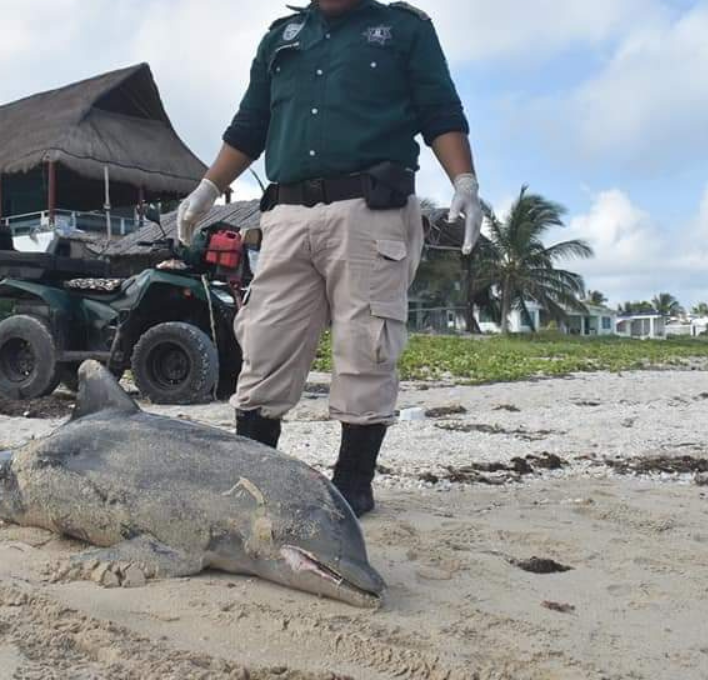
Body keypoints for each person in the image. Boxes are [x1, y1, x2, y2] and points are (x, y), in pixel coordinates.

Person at [176, 0, 482, 516]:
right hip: (286, 214)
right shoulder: (282, 36)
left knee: (367, 345)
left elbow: (440, 112)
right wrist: (207, 189)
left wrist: (465, 182)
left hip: (370, 210)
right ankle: (255, 478)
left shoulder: (404, 29)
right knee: (265, 343)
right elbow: (250, 124)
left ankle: (352, 485)